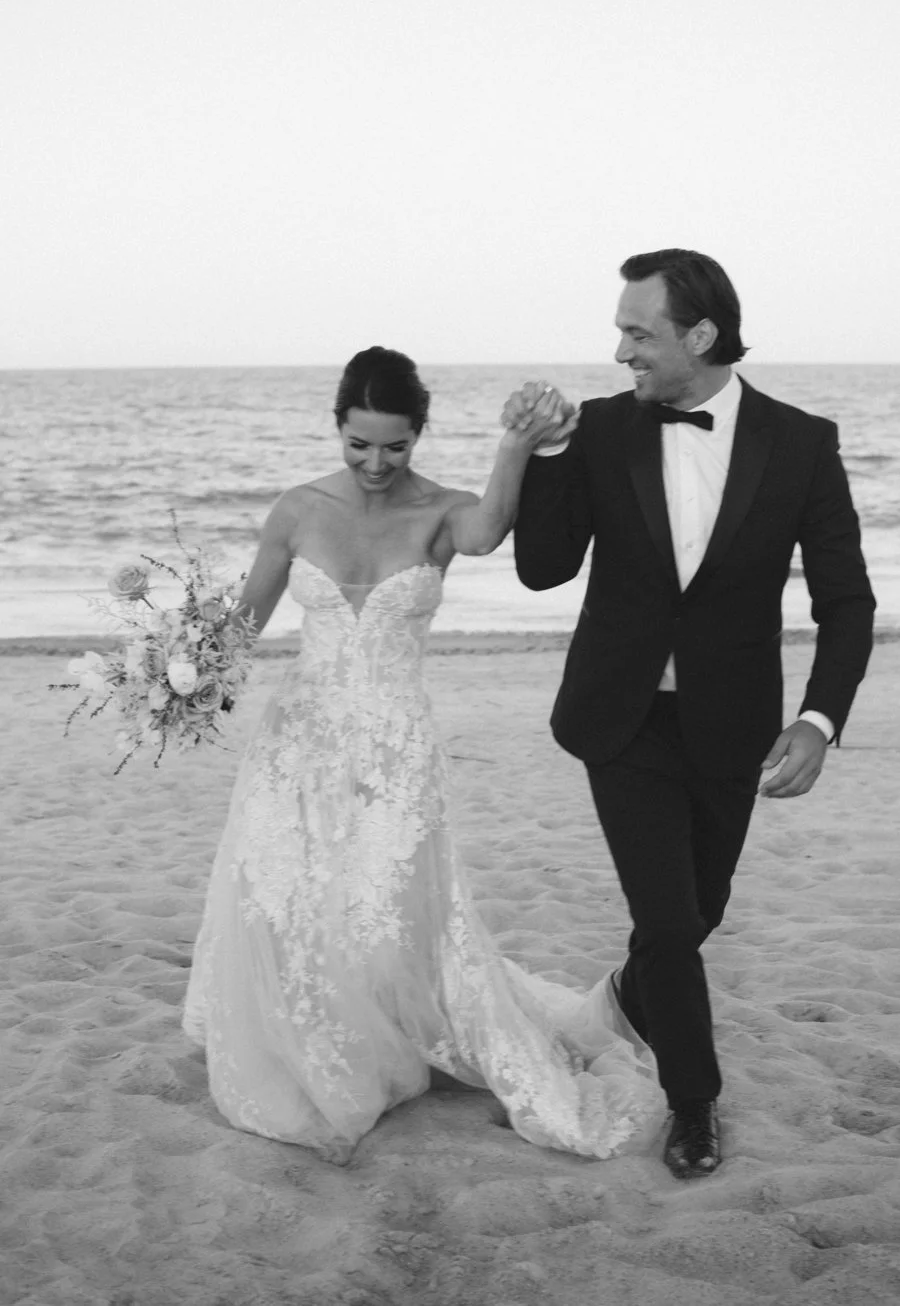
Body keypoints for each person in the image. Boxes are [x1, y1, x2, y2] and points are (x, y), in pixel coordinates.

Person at [182, 345, 664, 1165]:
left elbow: (490, 532)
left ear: (419, 436)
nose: (376, 463)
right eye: (359, 443)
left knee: (385, 907)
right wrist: (175, 671)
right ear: (337, 428)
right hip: (299, 740)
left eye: (396, 445)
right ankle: (312, 1043)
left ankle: (383, 1043)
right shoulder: (297, 510)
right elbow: (243, 624)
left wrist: (515, 445)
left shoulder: (444, 513)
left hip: (397, 743)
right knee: (287, 896)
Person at [509, 249, 876, 1179]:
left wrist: (820, 719)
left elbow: (847, 602)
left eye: (639, 332)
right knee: (669, 922)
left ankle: (627, 999)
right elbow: (543, 568)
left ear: (700, 335)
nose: (621, 349)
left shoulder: (801, 442)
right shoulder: (597, 430)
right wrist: (546, 454)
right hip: (619, 718)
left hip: (732, 725)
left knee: (695, 915)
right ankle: (695, 1103)